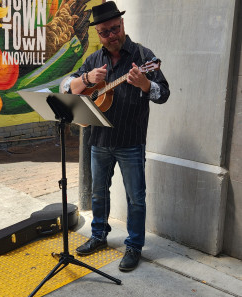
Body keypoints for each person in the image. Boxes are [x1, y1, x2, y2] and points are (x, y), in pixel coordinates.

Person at [64, 1, 170, 272]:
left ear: (122, 25)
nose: (111, 35)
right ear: (98, 34)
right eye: (104, 32)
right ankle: (98, 235)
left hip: (131, 141)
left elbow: (164, 93)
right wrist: (87, 79)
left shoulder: (143, 56)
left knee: (136, 198)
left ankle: (134, 245)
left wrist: (145, 84)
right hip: (98, 141)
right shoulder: (93, 60)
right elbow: (68, 88)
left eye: (115, 29)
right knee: (98, 194)